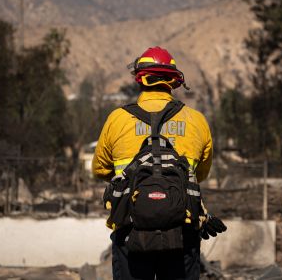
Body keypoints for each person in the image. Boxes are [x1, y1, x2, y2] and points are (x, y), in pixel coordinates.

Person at [92, 46, 223, 280]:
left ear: (139, 79)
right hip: (182, 230)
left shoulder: (117, 119)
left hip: (130, 228)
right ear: (174, 81)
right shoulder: (196, 121)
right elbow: (200, 174)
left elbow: (100, 169)